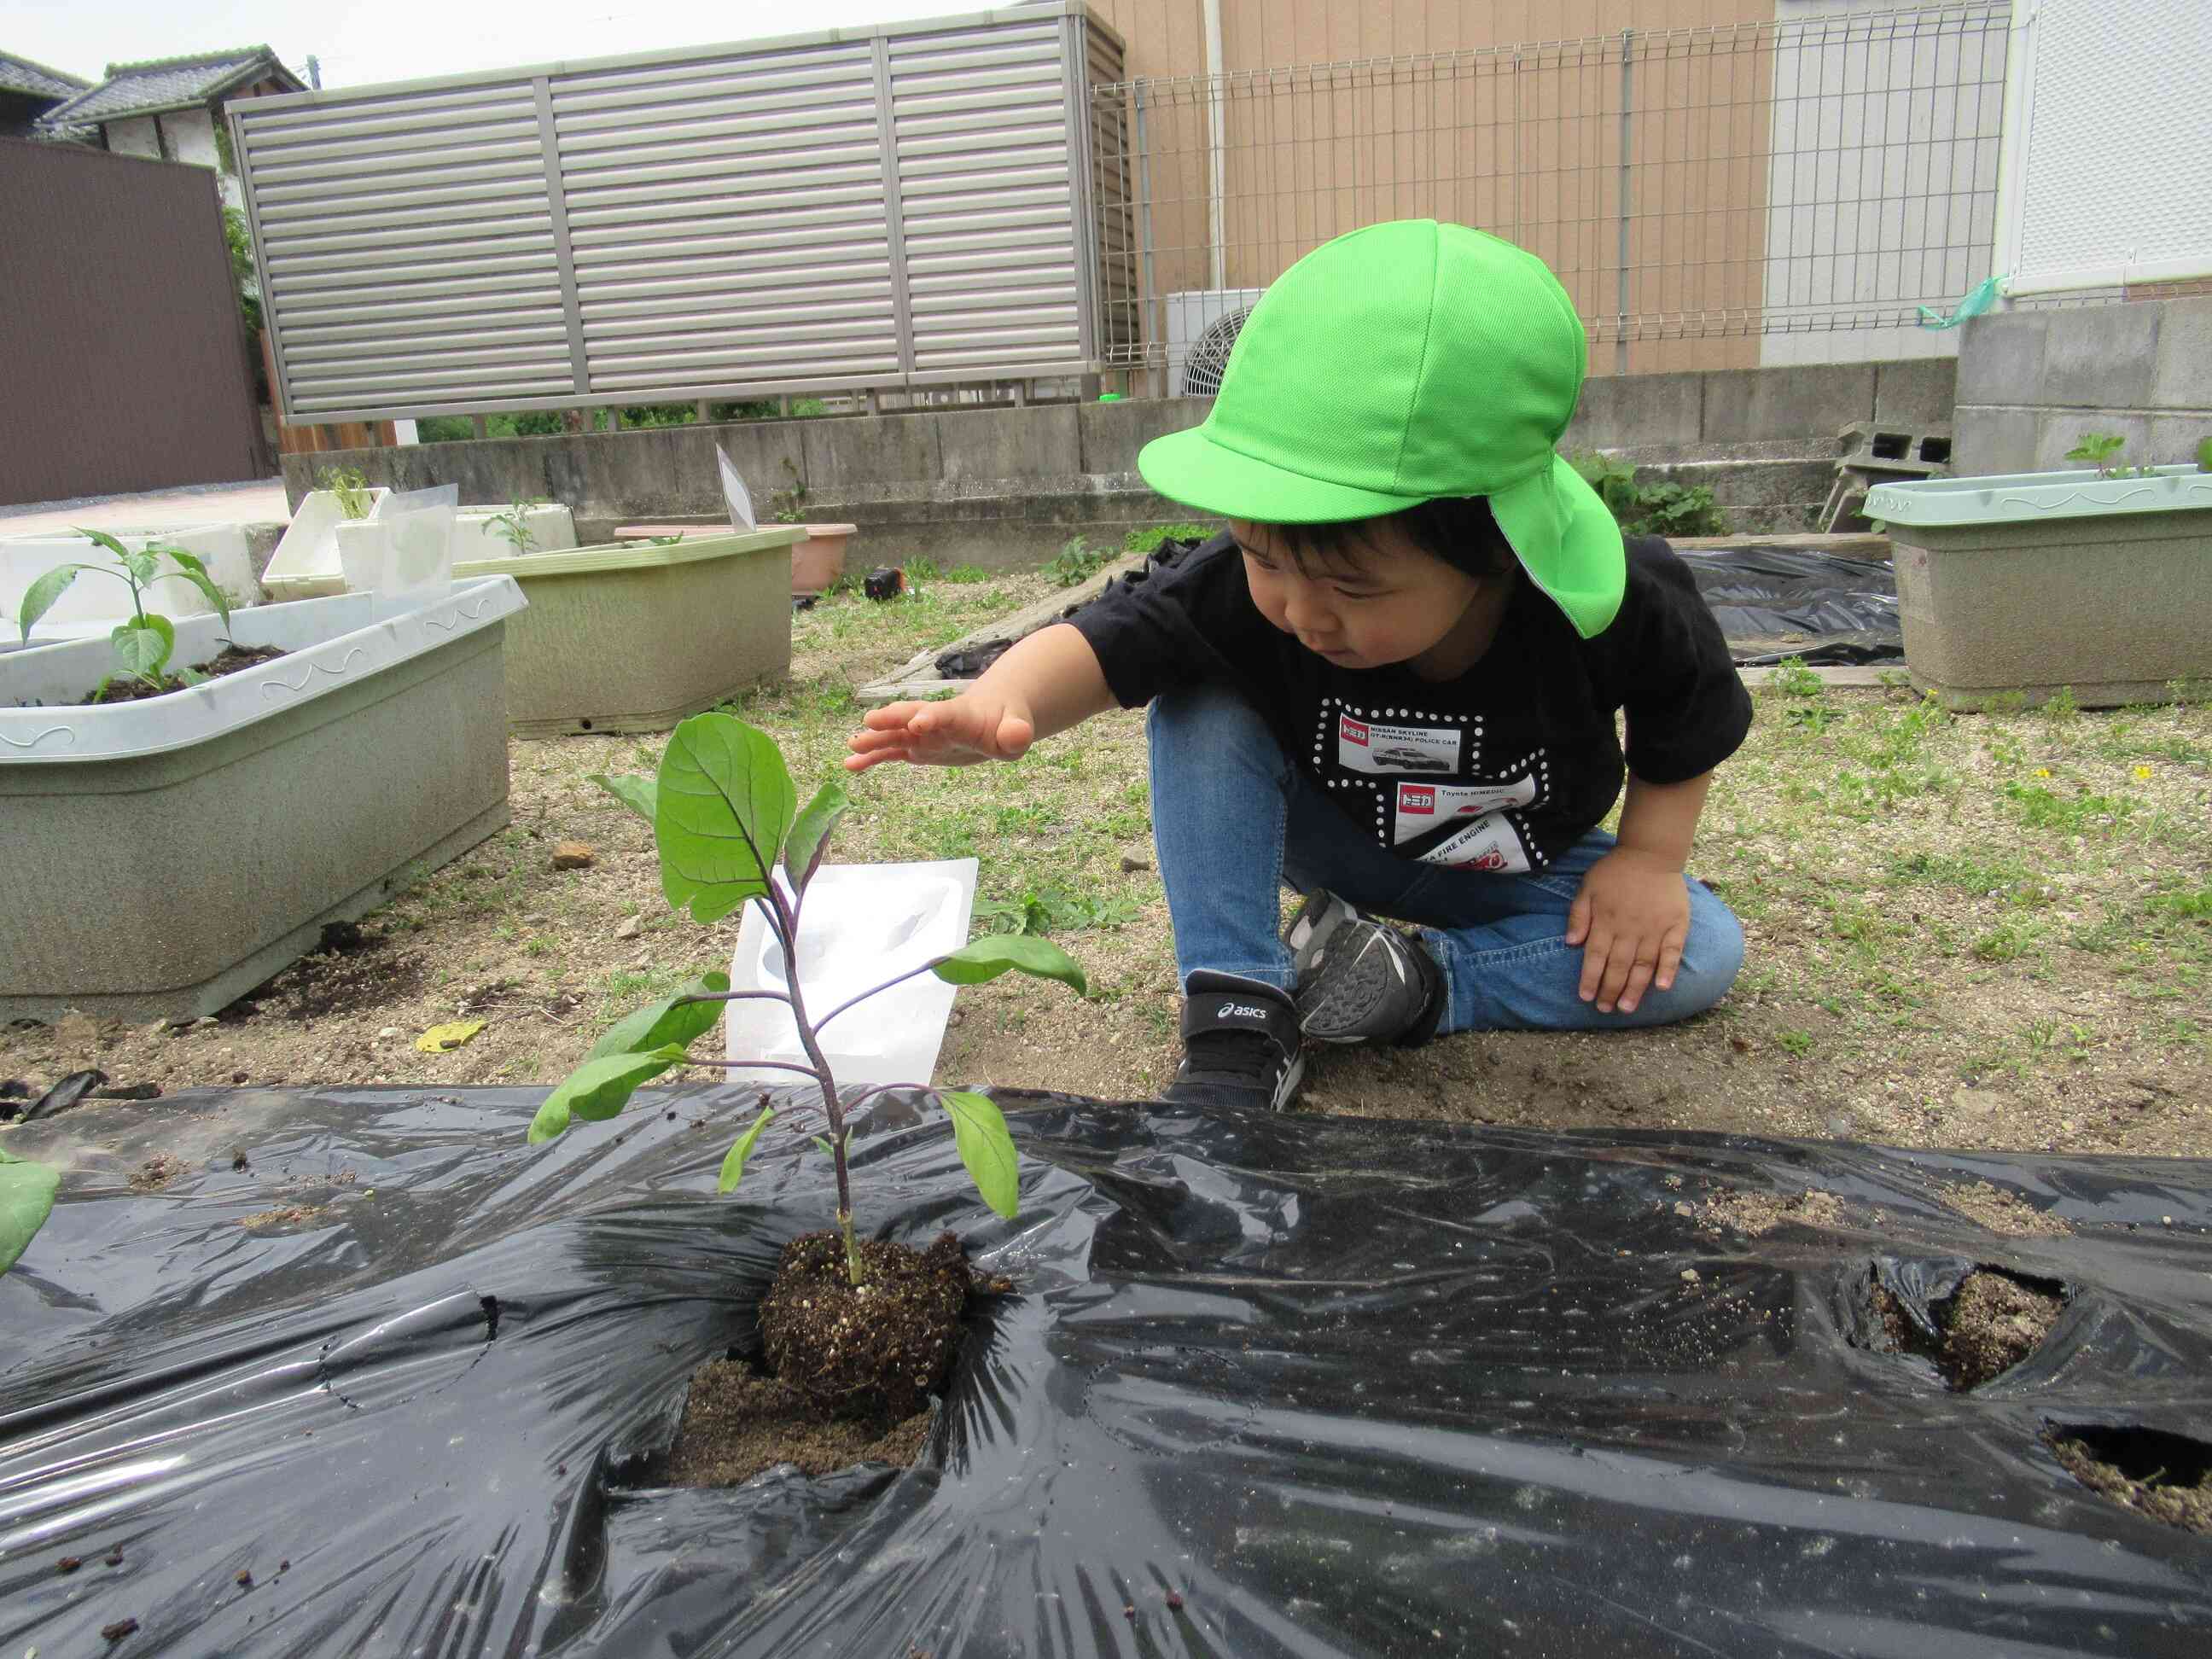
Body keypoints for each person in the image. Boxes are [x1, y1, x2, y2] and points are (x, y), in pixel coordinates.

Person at [847, 219, 1749, 1111]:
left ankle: (1413, 984)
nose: (1301, 612)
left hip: (1511, 863)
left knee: (1701, 948)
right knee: (1199, 696)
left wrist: (1649, 860)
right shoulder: (1248, 591)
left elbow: (1684, 711)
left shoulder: (1610, 597)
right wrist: (1002, 700)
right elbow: (1109, 639)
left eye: (1353, 590)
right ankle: (1241, 1008)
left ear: (1496, 549)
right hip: (1340, 836)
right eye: (1265, 560)